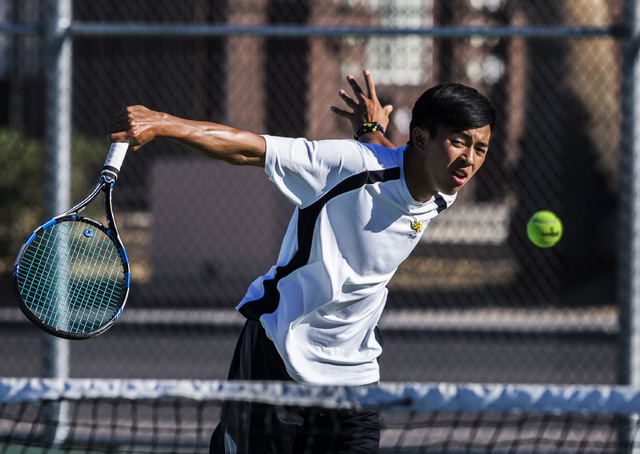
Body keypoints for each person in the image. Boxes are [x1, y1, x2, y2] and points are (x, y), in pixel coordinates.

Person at [108, 70, 496, 454]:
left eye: (480, 149)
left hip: (355, 373)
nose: (470, 160)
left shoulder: (444, 189)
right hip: (280, 350)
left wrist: (368, 126)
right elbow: (249, 148)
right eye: (460, 143)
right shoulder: (347, 165)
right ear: (421, 137)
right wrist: (162, 123)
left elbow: (390, 154)